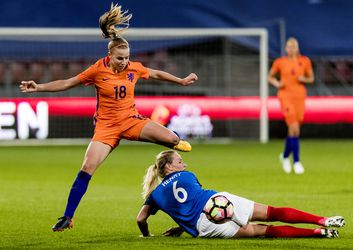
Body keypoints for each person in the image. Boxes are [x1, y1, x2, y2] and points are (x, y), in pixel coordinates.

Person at [19, 3, 198, 232]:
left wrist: (181, 81)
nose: (124, 62)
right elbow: (67, 83)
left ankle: (173, 142)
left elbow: (154, 73)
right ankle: (68, 217)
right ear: (110, 55)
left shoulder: (133, 68)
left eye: (127, 58)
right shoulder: (97, 70)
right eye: (120, 58)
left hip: (132, 121)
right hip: (106, 128)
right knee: (86, 168)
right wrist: (38, 87)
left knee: (173, 140)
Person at [137, 150, 345, 238]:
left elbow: (141, 219)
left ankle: (317, 233)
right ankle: (323, 220)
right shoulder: (187, 175)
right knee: (273, 211)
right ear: (169, 167)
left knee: (261, 231)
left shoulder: (155, 194)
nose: (184, 163)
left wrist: (148, 236)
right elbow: (192, 199)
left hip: (205, 225)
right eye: (180, 160)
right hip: (218, 201)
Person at [268, 37, 314, 174]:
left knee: (294, 129)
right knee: (293, 127)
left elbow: (311, 78)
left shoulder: (305, 61)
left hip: (299, 96)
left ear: (297, 48)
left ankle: (285, 156)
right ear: (286, 48)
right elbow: (270, 76)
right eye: (289, 46)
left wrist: (303, 79)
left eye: (293, 46)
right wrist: (277, 83)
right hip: (285, 96)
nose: (291, 49)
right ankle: (297, 161)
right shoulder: (280, 62)